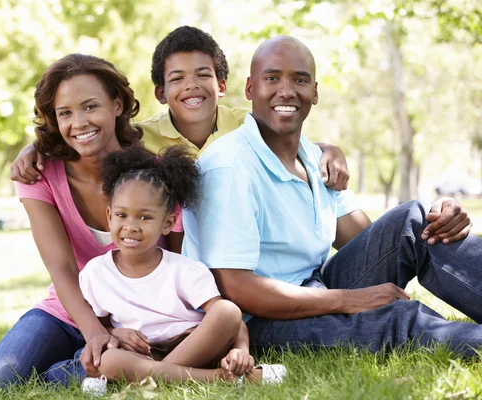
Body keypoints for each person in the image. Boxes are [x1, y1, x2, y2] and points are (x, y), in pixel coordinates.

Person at [183, 35, 482, 357]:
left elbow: (375, 241)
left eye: (299, 79)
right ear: (250, 89)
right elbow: (234, 287)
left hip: (313, 288)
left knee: (418, 220)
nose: (286, 90)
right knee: (396, 321)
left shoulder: (314, 159)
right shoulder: (229, 167)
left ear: (314, 91)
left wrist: (440, 216)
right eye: (272, 78)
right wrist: (350, 300)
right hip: (253, 322)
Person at [0, 54, 168, 398]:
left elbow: (176, 267)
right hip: (67, 310)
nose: (79, 122)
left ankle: (73, 364)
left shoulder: (155, 174)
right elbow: (62, 269)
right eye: (65, 113)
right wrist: (96, 332)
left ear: (117, 104)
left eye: (90, 106)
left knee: (68, 377)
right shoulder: (39, 174)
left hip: (136, 320)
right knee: (0, 376)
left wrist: (128, 330)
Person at [10, 26, 350, 191]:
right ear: (160, 92)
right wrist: (35, 147)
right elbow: (95, 139)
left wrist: (328, 148)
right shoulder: (141, 137)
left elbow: (286, 142)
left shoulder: (245, 124)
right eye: (177, 79)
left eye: (203, 75)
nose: (191, 86)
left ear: (221, 85)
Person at [79, 144, 286, 394]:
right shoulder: (95, 273)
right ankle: (217, 378)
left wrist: (240, 351)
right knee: (110, 360)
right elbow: (100, 327)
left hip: (192, 346)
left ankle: (154, 381)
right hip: (142, 354)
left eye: (145, 218)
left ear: (168, 224)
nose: (131, 226)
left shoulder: (183, 270)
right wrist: (117, 333)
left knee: (227, 310)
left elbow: (233, 322)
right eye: (122, 215)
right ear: (109, 216)